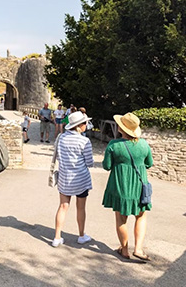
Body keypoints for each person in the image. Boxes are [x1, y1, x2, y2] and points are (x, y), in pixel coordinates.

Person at [102, 113, 153, 261]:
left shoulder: (114, 145)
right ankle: (138, 249)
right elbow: (149, 163)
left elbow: (107, 166)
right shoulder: (144, 144)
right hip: (139, 186)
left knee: (121, 219)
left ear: (121, 128)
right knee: (141, 216)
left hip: (120, 185)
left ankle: (124, 250)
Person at [52, 111, 94, 247]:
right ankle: (81, 235)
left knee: (63, 206)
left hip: (65, 177)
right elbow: (90, 162)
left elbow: (58, 156)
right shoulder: (84, 141)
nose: (86, 125)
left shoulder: (61, 138)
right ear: (79, 125)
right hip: (81, 178)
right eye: (85, 122)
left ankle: (57, 237)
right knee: (81, 208)